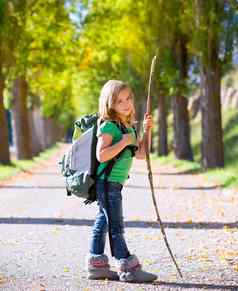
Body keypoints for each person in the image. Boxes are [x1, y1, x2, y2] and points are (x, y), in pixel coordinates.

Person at [85, 80, 157, 283]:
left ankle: (96, 265)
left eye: (128, 98)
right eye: (119, 101)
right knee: (116, 225)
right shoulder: (109, 126)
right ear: (110, 104)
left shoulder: (130, 127)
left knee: (104, 221)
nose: (126, 104)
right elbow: (102, 155)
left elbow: (142, 154)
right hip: (106, 183)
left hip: (115, 184)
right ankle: (128, 267)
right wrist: (123, 141)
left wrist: (146, 131)